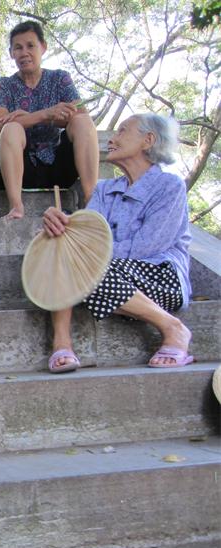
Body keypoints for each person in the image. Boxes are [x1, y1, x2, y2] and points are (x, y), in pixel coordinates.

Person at [43, 113, 193, 373]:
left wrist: (85, 251)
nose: (111, 139)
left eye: (122, 131)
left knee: (80, 263)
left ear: (148, 140)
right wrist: (60, 225)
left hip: (160, 277)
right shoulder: (104, 190)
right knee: (60, 253)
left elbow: (146, 247)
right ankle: (62, 344)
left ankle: (173, 327)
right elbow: (87, 236)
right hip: (106, 274)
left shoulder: (169, 185)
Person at [0, 20, 99, 220]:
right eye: (18, 48)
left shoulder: (60, 78)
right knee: (11, 129)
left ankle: (92, 200)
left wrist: (27, 118)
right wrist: (47, 114)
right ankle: (16, 206)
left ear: (43, 47)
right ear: (11, 53)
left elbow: (80, 114)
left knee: (82, 122)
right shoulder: (2, 85)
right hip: (21, 170)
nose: (24, 53)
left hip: (58, 165)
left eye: (30, 45)